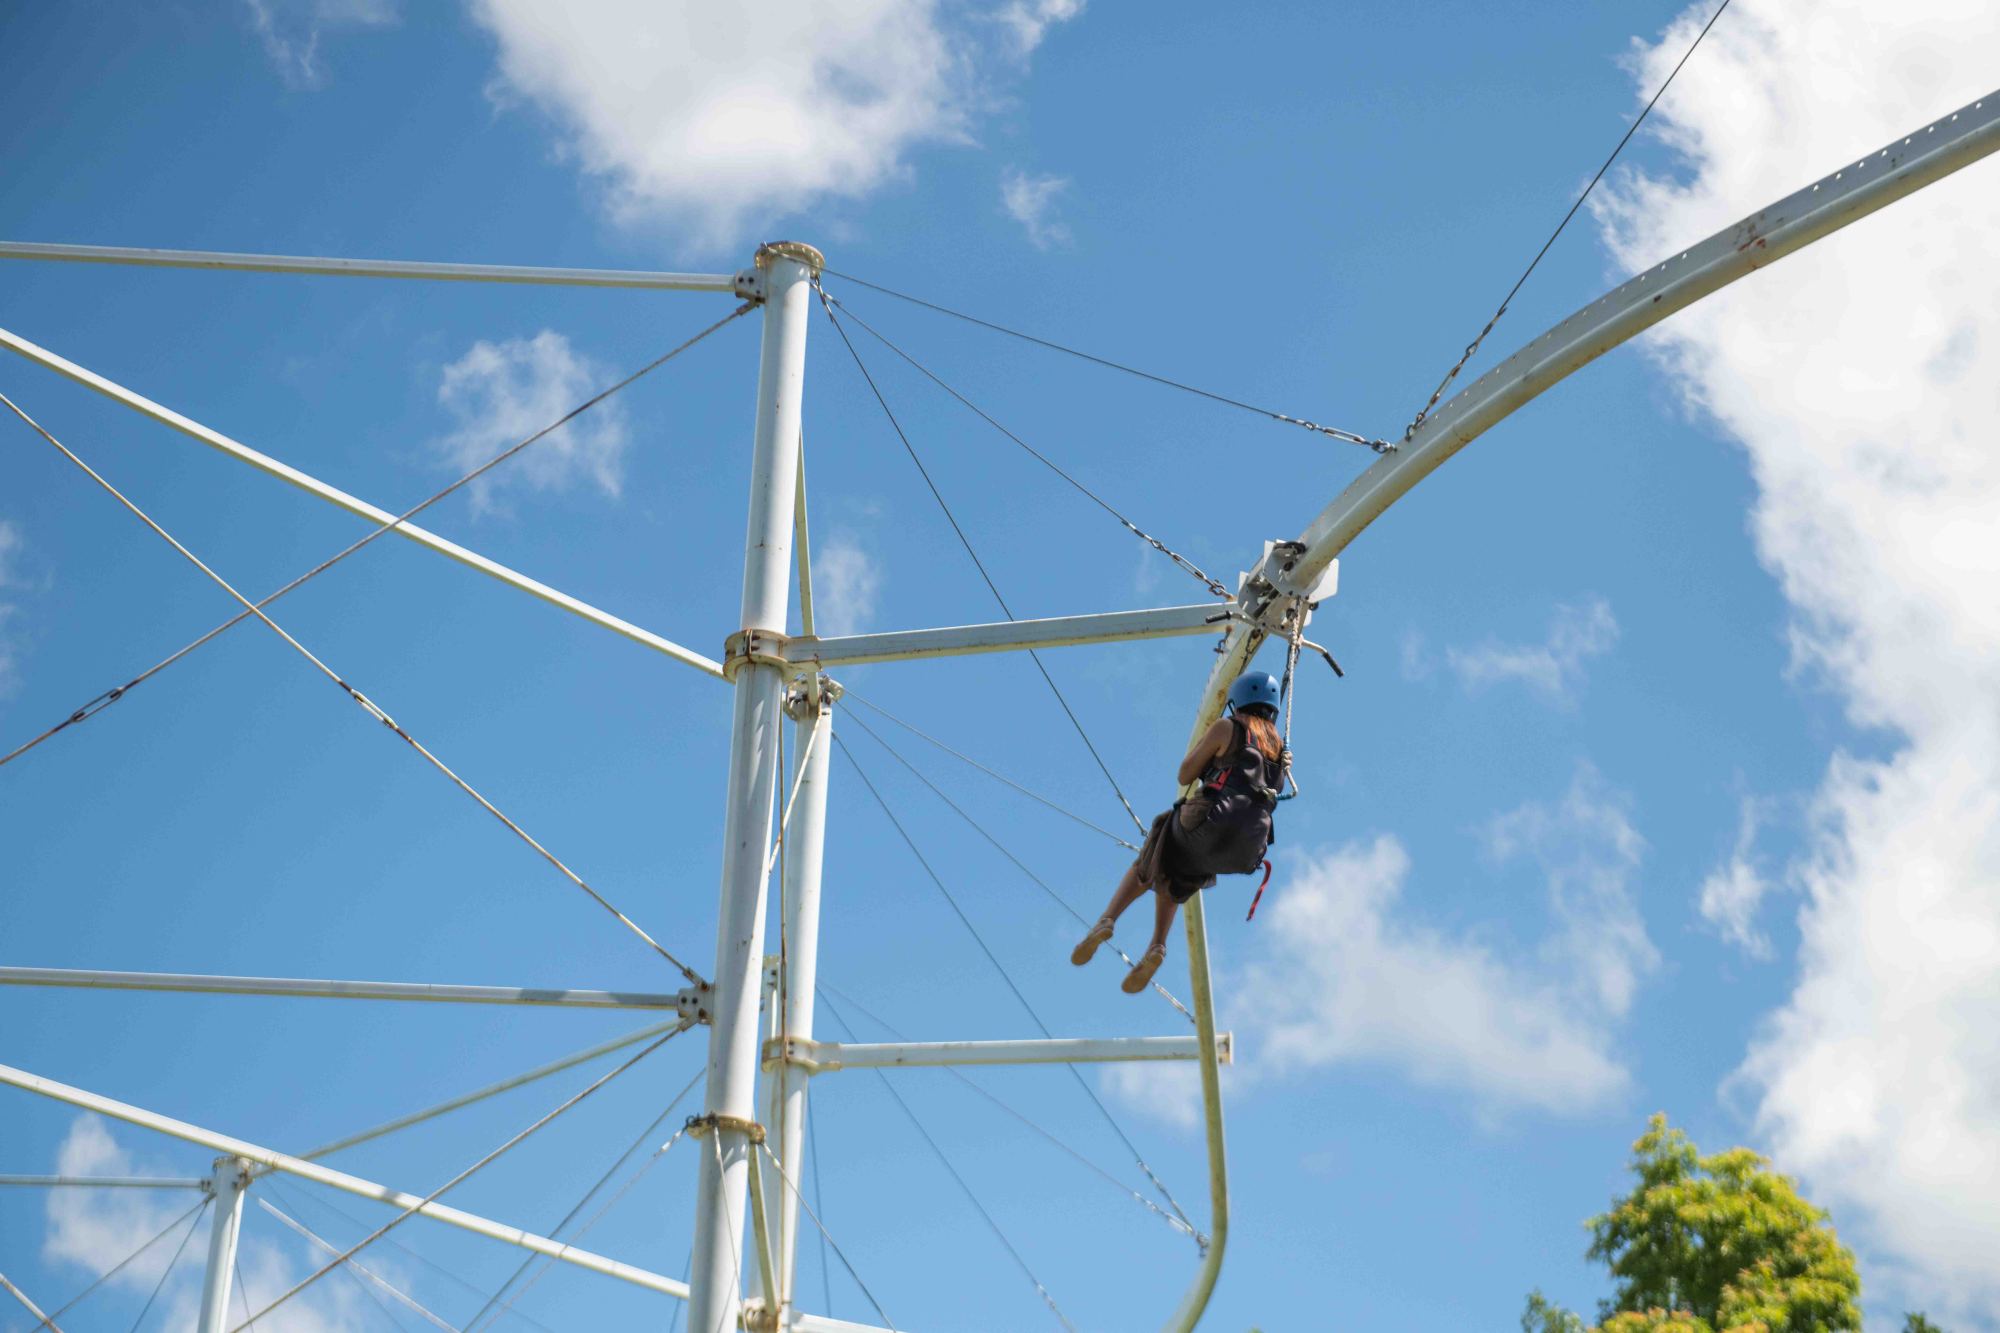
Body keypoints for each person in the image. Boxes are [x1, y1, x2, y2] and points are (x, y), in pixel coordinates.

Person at [1072, 671, 1291, 993]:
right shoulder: (1280, 752)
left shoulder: (1228, 726)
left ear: (1239, 701)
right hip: (1243, 851)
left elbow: (1185, 773)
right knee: (1178, 869)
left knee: (1161, 834)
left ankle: (1108, 918)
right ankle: (1157, 946)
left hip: (1209, 822)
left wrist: (1211, 750)